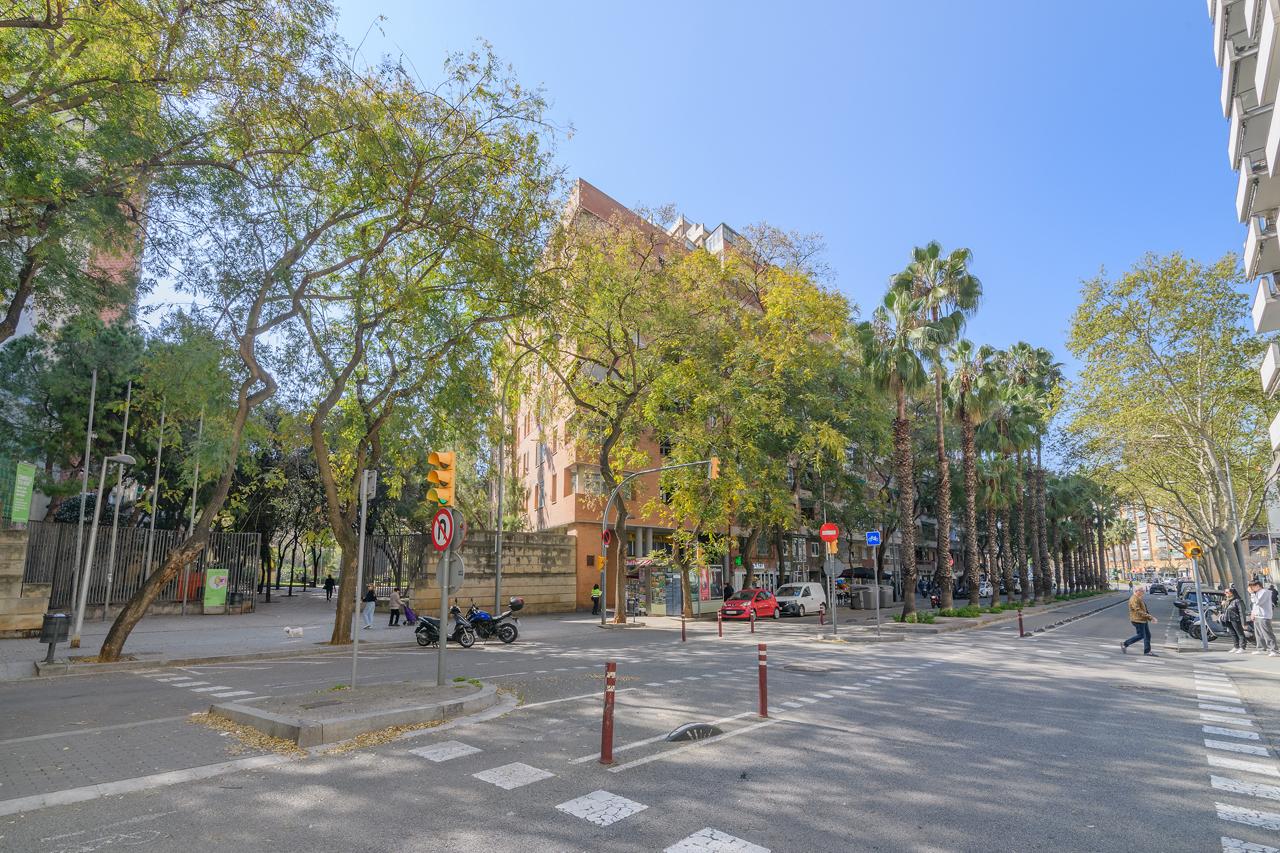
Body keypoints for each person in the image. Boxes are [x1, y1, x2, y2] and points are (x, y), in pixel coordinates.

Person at [1121, 585, 1157, 656]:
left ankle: (1147, 651)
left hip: (1143, 620)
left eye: (1143, 591)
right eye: (1142, 591)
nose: (1143, 592)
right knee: (1141, 635)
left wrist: (1150, 618)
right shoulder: (1134, 599)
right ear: (1137, 591)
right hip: (1137, 620)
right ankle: (1125, 644)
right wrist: (1150, 617)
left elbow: (1145, 610)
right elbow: (1138, 610)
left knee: (1147, 635)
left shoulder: (1138, 598)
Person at [1249, 579, 1278, 656]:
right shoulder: (1257, 593)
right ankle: (1261, 648)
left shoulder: (1265, 592)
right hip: (1257, 615)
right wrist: (1253, 613)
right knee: (1258, 634)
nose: (1251, 588)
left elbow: (1258, 602)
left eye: (1252, 587)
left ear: (1258, 586)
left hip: (1264, 616)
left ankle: (1274, 650)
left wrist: (1252, 594)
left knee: (1267, 633)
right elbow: (1255, 605)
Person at [1223, 586, 1248, 654]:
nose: (1225, 593)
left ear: (1232, 593)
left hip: (1236, 619)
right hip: (1228, 619)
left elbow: (1242, 612)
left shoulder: (1238, 601)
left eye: (1227, 592)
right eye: (1225, 592)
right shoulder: (1228, 601)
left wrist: (1244, 623)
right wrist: (1223, 604)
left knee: (1240, 633)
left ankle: (1242, 647)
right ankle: (1236, 646)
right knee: (1233, 633)